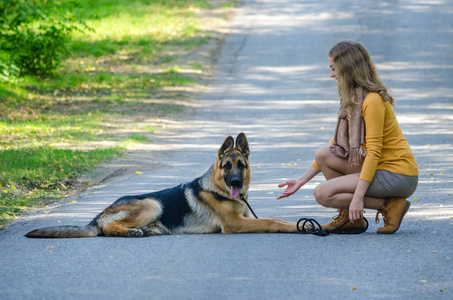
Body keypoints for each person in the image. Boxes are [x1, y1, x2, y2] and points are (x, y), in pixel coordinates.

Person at [277, 40, 419, 234]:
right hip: (381, 168)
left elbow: (374, 152)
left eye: (334, 69)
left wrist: (358, 196)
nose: (332, 75)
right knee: (324, 154)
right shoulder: (355, 99)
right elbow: (334, 147)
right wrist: (301, 181)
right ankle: (353, 220)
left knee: (323, 193)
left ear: (347, 68)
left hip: (398, 175)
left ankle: (389, 206)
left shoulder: (373, 100)